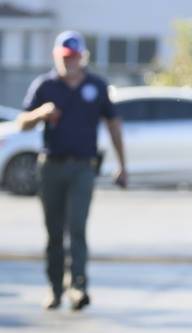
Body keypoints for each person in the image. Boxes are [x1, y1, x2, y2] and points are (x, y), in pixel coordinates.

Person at [17, 30, 126, 311]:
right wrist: (40, 113)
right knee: (54, 233)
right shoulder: (45, 85)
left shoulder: (97, 86)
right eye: (65, 57)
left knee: (76, 228)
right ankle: (54, 288)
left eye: (75, 57)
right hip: (51, 167)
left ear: (83, 58)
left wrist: (122, 165)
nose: (70, 62)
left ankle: (78, 286)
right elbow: (22, 123)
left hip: (82, 168)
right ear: (57, 56)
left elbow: (113, 125)